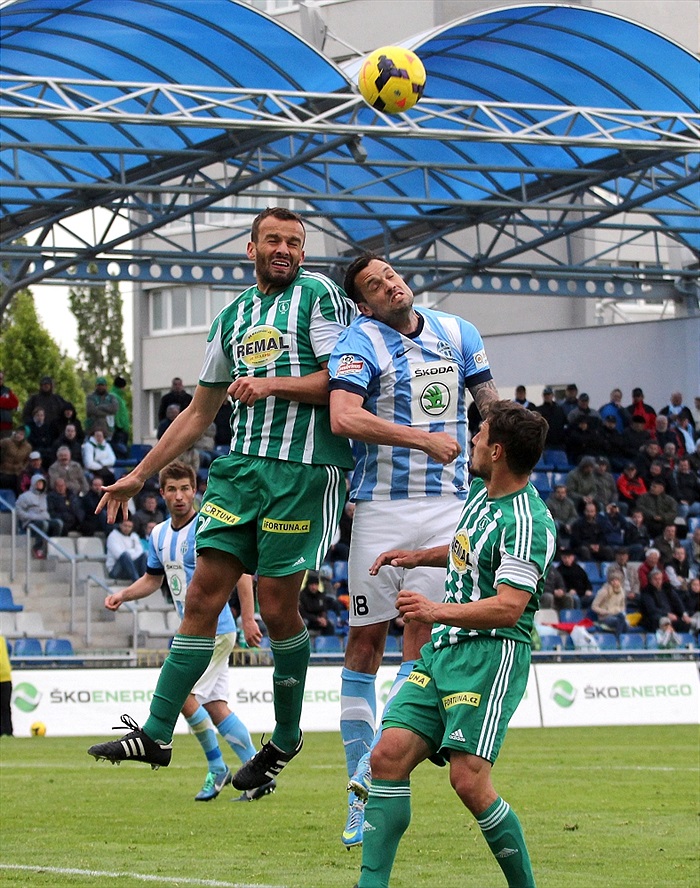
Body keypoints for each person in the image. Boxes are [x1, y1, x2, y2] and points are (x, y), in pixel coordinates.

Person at [85, 207, 355, 790]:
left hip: (304, 471)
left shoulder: (321, 298)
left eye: (295, 242)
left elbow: (341, 381)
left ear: (303, 254)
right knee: (202, 596)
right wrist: (138, 474)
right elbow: (198, 413)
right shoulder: (231, 317)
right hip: (239, 470)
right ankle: (156, 733)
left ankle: (286, 736)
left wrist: (271, 383)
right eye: (273, 239)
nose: (284, 248)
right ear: (251, 248)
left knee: (280, 610)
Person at [327, 252, 498, 846]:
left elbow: (492, 409)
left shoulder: (460, 332)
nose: (389, 284)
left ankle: (372, 779)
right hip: (380, 507)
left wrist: (511, 472)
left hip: (448, 509)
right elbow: (345, 417)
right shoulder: (359, 341)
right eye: (374, 284)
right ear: (363, 301)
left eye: (390, 274)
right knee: (364, 642)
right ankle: (358, 778)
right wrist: (421, 439)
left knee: (419, 638)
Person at [352, 401, 555, 888]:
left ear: (498, 451)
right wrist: (418, 555)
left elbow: (508, 607)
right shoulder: (482, 497)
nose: (473, 442)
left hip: (490, 656)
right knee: (387, 756)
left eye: (480, 435)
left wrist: (433, 611)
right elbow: (468, 547)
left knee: (467, 780)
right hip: (444, 649)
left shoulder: (528, 523)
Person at [100, 462, 274, 802]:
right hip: (195, 631)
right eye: (172, 489)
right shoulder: (159, 534)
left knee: (184, 697)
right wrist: (123, 594)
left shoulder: (208, 526)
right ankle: (257, 772)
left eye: (185, 488)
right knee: (215, 704)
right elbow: (153, 579)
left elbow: (240, 573)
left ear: (195, 490)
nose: (179, 496)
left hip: (217, 628)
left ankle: (219, 767)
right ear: (162, 493)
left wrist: (248, 618)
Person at [15, 474, 62, 557]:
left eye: (41, 483)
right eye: (38, 482)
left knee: (58, 523)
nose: (40, 485)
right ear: (33, 483)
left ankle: (52, 547)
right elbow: (19, 511)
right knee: (44, 524)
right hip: (31, 523)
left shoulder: (45, 497)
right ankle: (37, 548)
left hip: (45, 519)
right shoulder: (25, 496)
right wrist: (31, 516)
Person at [639, 568, 690, 634]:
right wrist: (667, 614)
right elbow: (652, 609)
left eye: (660, 579)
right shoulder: (646, 592)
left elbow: (678, 602)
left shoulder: (667, 589)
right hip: (654, 618)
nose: (658, 581)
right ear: (650, 580)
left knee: (685, 623)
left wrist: (684, 614)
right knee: (663, 622)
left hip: (671, 616)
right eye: (655, 579)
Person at [533, 386, 568, 468]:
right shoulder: (539, 410)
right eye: (546, 395)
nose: (547, 396)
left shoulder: (560, 410)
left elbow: (564, 425)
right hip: (545, 445)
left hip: (559, 445)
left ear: (552, 395)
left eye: (549, 395)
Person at [106, 516, 147, 582]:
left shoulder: (134, 536)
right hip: (116, 570)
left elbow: (140, 552)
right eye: (125, 526)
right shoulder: (113, 536)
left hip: (131, 568)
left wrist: (129, 553)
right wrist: (133, 551)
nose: (127, 528)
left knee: (144, 555)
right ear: (120, 525)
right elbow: (119, 555)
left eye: (129, 526)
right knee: (125, 556)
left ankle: (145, 581)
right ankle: (137, 581)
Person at [590, 569, 628, 634]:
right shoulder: (604, 591)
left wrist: (620, 610)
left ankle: (620, 638)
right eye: (612, 580)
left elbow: (623, 605)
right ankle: (618, 638)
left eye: (616, 580)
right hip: (605, 617)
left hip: (617, 614)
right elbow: (594, 606)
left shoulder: (622, 592)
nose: (614, 582)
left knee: (624, 623)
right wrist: (605, 612)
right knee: (618, 622)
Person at [298, 571, 335, 637]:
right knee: (303, 623)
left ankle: (326, 644)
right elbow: (302, 612)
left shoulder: (320, 595)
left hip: (319, 620)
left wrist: (323, 618)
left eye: (316, 585)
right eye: (312, 585)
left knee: (329, 625)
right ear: (308, 585)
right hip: (308, 619)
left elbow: (324, 609)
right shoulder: (302, 596)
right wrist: (316, 619)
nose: (314, 587)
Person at [0, 427, 31, 494]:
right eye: (18, 433)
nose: (18, 435)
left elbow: (28, 460)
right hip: (3, 471)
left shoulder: (28, 447)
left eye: (22, 434)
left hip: (16, 474)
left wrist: (23, 467)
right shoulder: (7, 441)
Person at [109, 376, 131, 459]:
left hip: (121, 429)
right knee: (121, 452)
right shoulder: (114, 396)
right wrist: (119, 425)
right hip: (119, 430)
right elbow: (116, 413)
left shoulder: (118, 397)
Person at [0, 370, 19, 439]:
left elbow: (15, 403)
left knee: (6, 447)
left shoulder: (7, 390)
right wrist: (6, 402)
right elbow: (10, 403)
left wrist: (2, 402)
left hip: (6, 425)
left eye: (1, 378)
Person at [0, 634, 12, 736]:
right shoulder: (3, 640)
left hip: (5, 677)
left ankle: (7, 730)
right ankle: (8, 731)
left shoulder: (3, 640)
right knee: (5, 706)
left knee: (5, 706)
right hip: (6, 677)